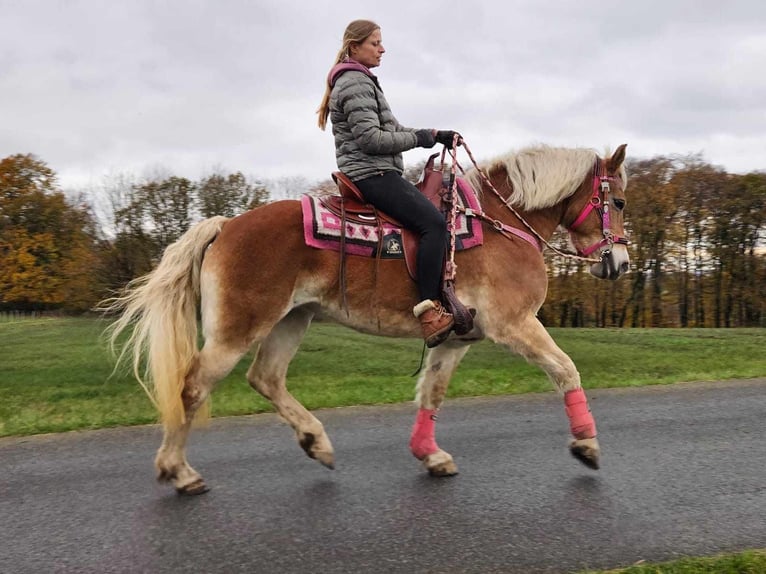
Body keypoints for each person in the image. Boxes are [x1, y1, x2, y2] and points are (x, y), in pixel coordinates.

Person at [317, 19, 461, 348]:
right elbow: (371, 139)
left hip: (375, 170)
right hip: (371, 173)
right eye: (375, 43)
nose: (382, 49)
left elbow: (393, 129)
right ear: (354, 47)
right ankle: (429, 311)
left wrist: (434, 135)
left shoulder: (363, 81)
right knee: (434, 224)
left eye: (381, 43)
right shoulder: (354, 82)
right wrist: (421, 139)